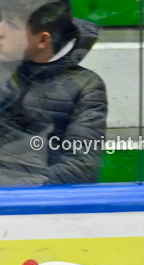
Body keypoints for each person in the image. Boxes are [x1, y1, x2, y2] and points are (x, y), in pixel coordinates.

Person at [0, 0, 107, 185]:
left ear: (43, 40)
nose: (0, 31)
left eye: (11, 25)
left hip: (39, 207)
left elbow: (81, 169)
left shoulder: (86, 87)